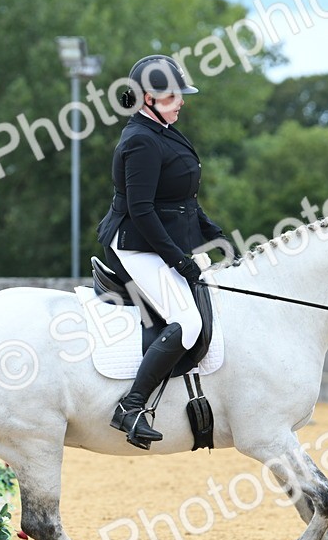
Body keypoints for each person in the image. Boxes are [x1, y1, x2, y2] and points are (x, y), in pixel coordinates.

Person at [95, 54, 234, 449]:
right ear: (147, 99)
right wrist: (181, 261)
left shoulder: (164, 130)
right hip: (136, 244)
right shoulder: (139, 139)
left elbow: (182, 196)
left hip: (160, 240)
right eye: (173, 95)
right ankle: (132, 407)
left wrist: (213, 232)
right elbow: (141, 211)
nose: (182, 101)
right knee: (187, 323)